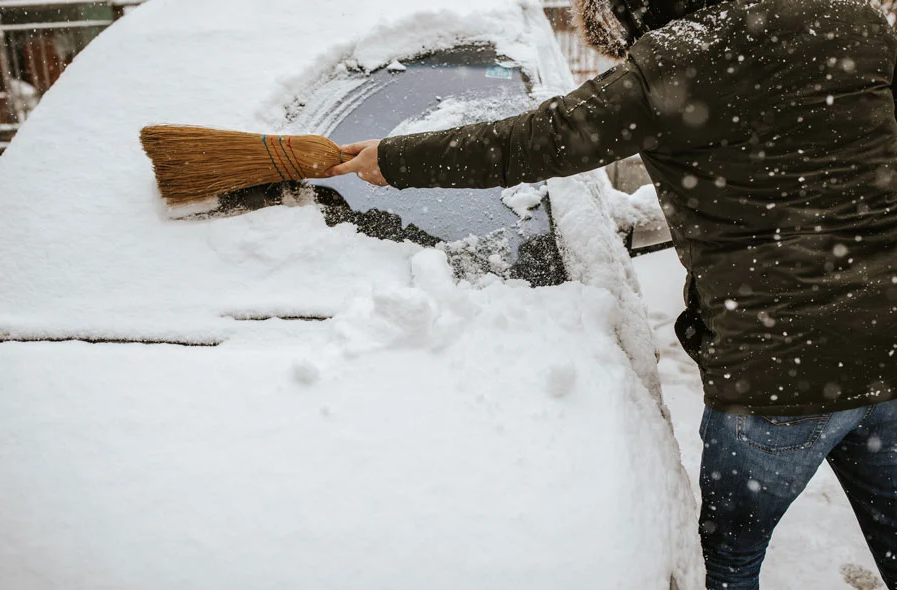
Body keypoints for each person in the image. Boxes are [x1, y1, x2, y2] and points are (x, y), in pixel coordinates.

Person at [326, 0, 897, 588]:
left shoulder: (677, 62)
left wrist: (393, 158)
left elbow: (534, 140)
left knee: (731, 559)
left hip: (776, 371)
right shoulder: (850, 20)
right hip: (889, 344)